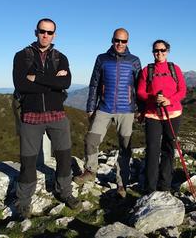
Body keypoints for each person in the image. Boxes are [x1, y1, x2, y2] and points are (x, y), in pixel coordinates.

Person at [12, 18, 80, 219]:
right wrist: (53, 82)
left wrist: (38, 78)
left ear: (54, 35)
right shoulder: (21, 56)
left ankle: (64, 192)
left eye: (50, 32)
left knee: (65, 157)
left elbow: (66, 82)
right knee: (28, 161)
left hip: (57, 115)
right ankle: (24, 202)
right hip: (30, 115)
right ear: (36, 32)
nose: (45, 35)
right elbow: (21, 84)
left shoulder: (61, 57)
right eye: (42, 31)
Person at [74, 28, 141, 198]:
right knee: (91, 140)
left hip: (126, 110)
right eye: (117, 40)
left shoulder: (134, 61)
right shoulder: (102, 59)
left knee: (125, 147)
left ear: (128, 42)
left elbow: (139, 87)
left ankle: (121, 183)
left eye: (123, 41)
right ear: (112, 40)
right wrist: (90, 107)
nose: (119, 44)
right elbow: (94, 84)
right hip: (104, 107)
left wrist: (139, 109)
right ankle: (90, 171)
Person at [137, 40, 186, 193]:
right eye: (156, 51)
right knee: (152, 149)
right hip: (153, 115)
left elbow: (182, 90)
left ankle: (165, 186)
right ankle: (150, 188)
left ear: (167, 51)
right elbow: (140, 92)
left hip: (173, 114)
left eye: (162, 50)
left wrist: (169, 100)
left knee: (168, 149)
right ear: (153, 52)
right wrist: (154, 98)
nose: (159, 53)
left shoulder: (174, 69)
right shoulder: (147, 70)